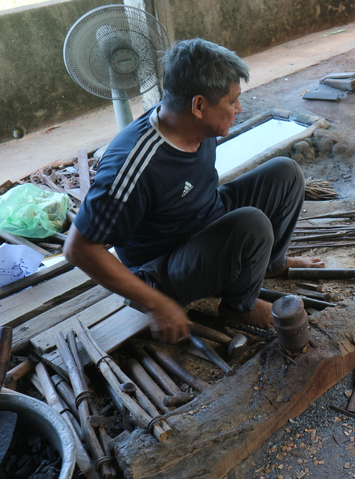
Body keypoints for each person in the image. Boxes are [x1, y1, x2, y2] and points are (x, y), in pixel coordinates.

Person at [63, 39, 323, 344]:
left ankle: (271, 265)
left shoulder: (196, 125)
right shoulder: (134, 166)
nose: (239, 109)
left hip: (203, 217)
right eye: (232, 102)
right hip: (163, 265)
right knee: (253, 224)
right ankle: (239, 307)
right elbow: (78, 249)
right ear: (198, 106)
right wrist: (156, 303)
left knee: (285, 173)